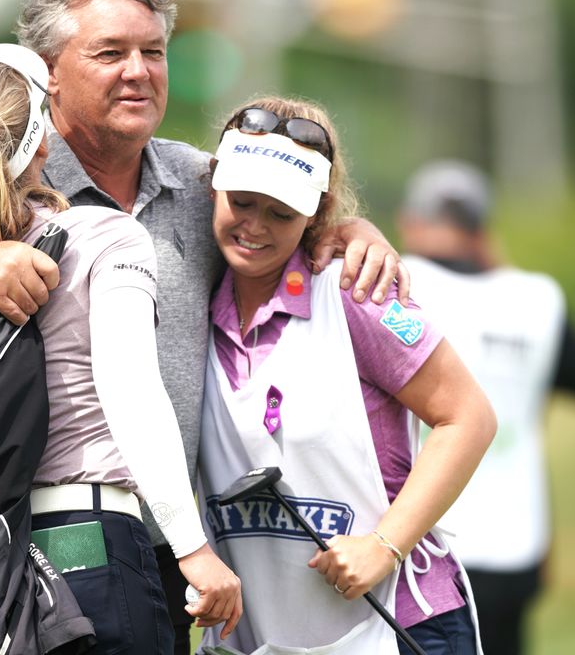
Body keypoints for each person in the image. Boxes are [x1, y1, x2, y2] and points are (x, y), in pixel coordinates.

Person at [0, 0, 407, 650]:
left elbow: (290, 212)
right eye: (110, 52)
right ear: (48, 75)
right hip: (18, 546)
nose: (138, 72)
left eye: (153, 51)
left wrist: (351, 227)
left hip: (168, 550)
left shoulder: (201, 183)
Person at [0, 42, 241, 652]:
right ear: (44, 143)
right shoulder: (107, 234)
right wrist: (194, 549)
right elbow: (131, 393)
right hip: (89, 542)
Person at [197, 96, 496, 655]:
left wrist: (384, 544)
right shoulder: (195, 297)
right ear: (213, 184)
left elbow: (468, 417)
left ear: (318, 211)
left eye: (282, 212)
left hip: (401, 622)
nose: (254, 226)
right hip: (268, 634)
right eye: (241, 201)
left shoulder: (355, 291)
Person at [397, 159, 575, 655]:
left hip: (423, 543)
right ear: (481, 231)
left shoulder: (400, 286)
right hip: (518, 545)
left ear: (411, 221)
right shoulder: (536, 298)